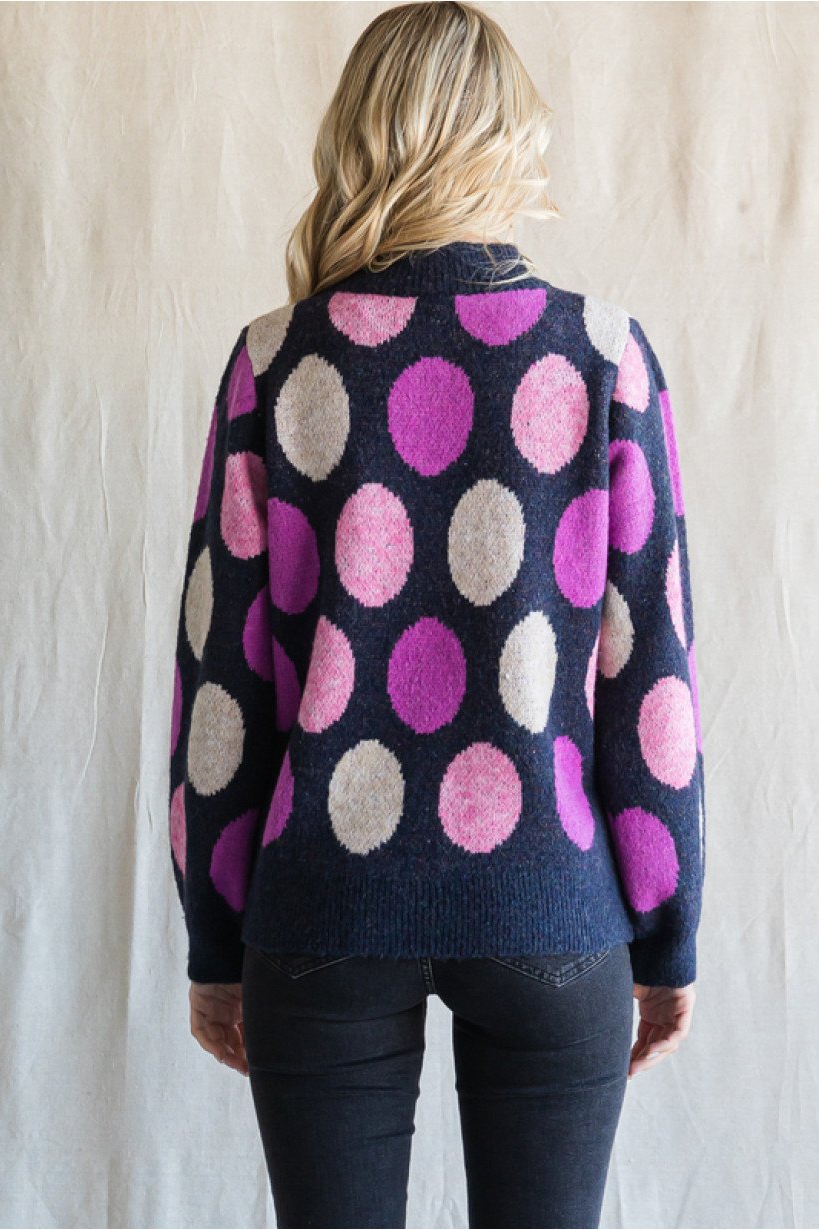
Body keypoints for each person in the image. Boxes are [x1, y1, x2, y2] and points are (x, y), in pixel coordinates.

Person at [167, 3, 706, 1226]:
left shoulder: (275, 360)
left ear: (356, 136)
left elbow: (221, 685)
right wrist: (666, 933)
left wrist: (217, 935)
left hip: (323, 907)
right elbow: (650, 677)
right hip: (549, 905)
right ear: (510, 141)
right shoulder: (602, 357)